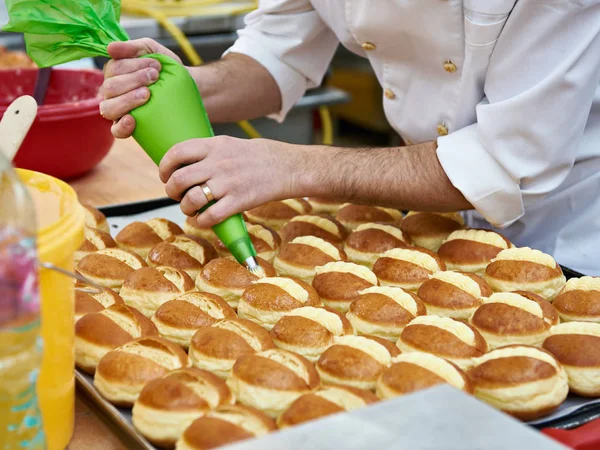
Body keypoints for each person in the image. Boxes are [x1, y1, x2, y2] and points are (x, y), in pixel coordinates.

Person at [100, 1, 600, 275]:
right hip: (436, 224)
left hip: (569, 231)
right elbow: (279, 48)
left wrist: (296, 167)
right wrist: (190, 88)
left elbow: (503, 160)